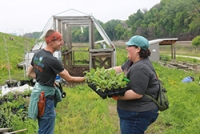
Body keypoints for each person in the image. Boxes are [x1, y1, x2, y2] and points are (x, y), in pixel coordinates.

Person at [27, 29, 85, 134]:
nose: (62, 43)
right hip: (46, 100)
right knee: (46, 131)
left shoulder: (38, 54)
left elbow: (29, 73)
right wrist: (88, 78)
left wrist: (45, 78)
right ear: (50, 42)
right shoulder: (52, 60)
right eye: (59, 40)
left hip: (38, 96)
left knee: (43, 129)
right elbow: (70, 79)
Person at [111, 35, 159, 134]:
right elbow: (120, 68)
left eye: (129, 46)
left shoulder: (141, 67)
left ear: (138, 49)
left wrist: (115, 95)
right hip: (133, 112)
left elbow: (137, 93)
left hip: (137, 113)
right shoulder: (132, 62)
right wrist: (99, 73)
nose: (126, 48)